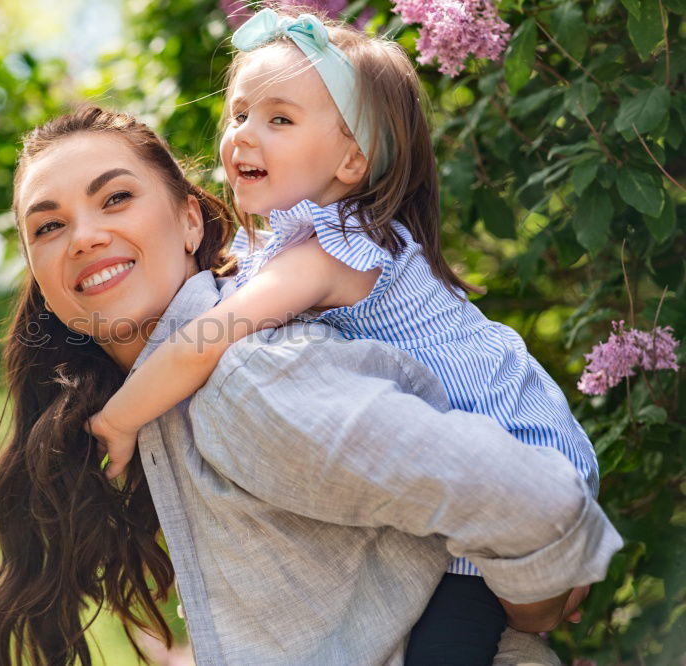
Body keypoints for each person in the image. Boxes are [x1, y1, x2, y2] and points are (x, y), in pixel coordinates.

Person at [0, 105, 621, 666]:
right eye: (48, 226)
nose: (84, 236)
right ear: (41, 283)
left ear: (191, 220)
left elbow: (535, 499)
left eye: (115, 198)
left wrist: (531, 607)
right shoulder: (174, 412)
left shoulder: (245, 380)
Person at [86, 10, 599, 662]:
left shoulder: (331, 251)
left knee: (447, 645)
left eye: (280, 119)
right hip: (474, 458)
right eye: (238, 113)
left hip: (511, 449)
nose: (244, 133)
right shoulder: (293, 244)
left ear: (352, 159)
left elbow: (207, 339)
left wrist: (121, 417)